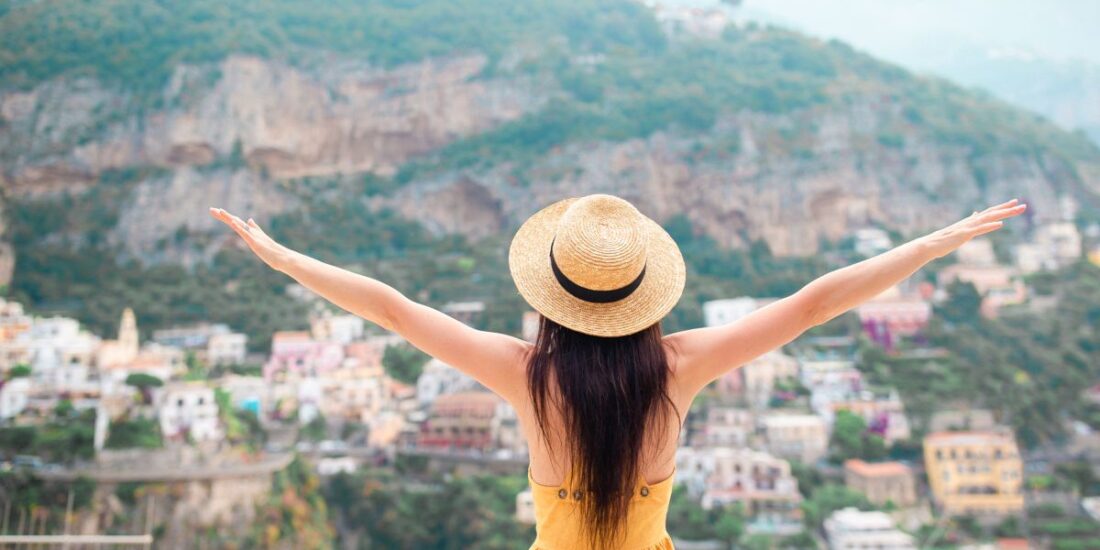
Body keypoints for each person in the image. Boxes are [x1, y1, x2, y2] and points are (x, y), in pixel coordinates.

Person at [210, 194, 1025, 549]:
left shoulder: (521, 372)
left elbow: (392, 310)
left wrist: (284, 258)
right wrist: (929, 245)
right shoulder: (681, 366)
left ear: (549, 293)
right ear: (646, 295)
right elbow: (813, 305)